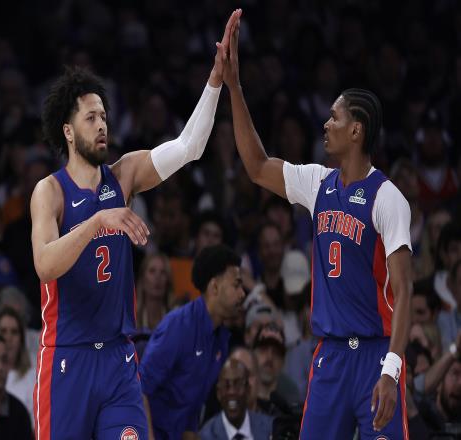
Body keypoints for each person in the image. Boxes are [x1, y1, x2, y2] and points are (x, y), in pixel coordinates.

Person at [30, 10, 242, 440]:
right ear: (68, 131)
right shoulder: (49, 191)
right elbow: (44, 265)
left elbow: (189, 146)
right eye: (91, 118)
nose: (102, 125)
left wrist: (214, 81)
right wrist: (97, 221)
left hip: (118, 361)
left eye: (104, 116)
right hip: (67, 359)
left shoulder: (124, 175)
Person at [222, 12, 412, 438]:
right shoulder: (317, 183)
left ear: (357, 131)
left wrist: (392, 370)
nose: (326, 124)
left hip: (375, 354)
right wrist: (234, 88)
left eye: (335, 118)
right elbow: (256, 166)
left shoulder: (388, 198)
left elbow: (404, 290)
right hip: (329, 356)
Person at [139, 244, 245, 440]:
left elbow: (191, 409)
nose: (242, 294)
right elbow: (139, 389)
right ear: (214, 287)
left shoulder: (221, 340)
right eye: (236, 285)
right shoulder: (178, 326)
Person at [199, 358, 273, 440]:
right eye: (226, 385)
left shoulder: (271, 428)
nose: (232, 392)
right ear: (218, 394)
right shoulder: (205, 436)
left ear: (248, 390)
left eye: (238, 384)